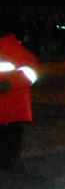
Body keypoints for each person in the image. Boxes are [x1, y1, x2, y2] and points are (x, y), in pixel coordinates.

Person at [0, 16, 39, 170]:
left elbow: (31, 71)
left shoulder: (10, 46)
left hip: (10, 116)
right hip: (6, 116)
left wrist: (9, 84)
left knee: (8, 161)